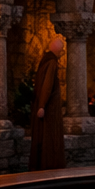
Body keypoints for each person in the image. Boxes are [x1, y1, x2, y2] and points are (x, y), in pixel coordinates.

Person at [29, 35, 66, 171]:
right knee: (50, 137)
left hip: (46, 105)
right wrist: (42, 106)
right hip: (50, 108)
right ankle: (50, 165)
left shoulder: (45, 61)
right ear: (59, 51)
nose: (63, 54)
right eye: (62, 51)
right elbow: (47, 85)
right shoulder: (51, 63)